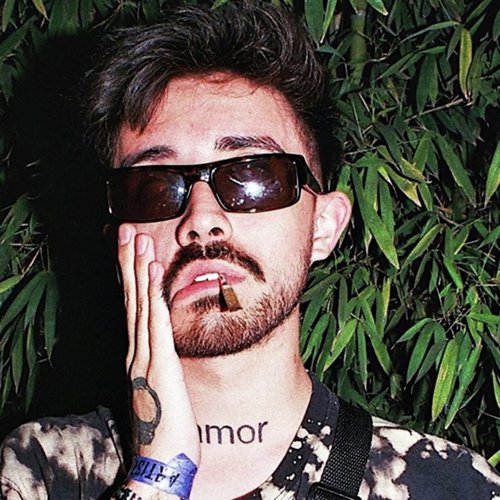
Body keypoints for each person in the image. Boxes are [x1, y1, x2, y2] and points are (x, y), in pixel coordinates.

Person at [1, 2, 499, 499]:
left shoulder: (448, 485)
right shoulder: (39, 471)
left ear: (323, 226)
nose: (202, 220)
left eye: (253, 176)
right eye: (154, 188)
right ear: (118, 242)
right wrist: (158, 474)